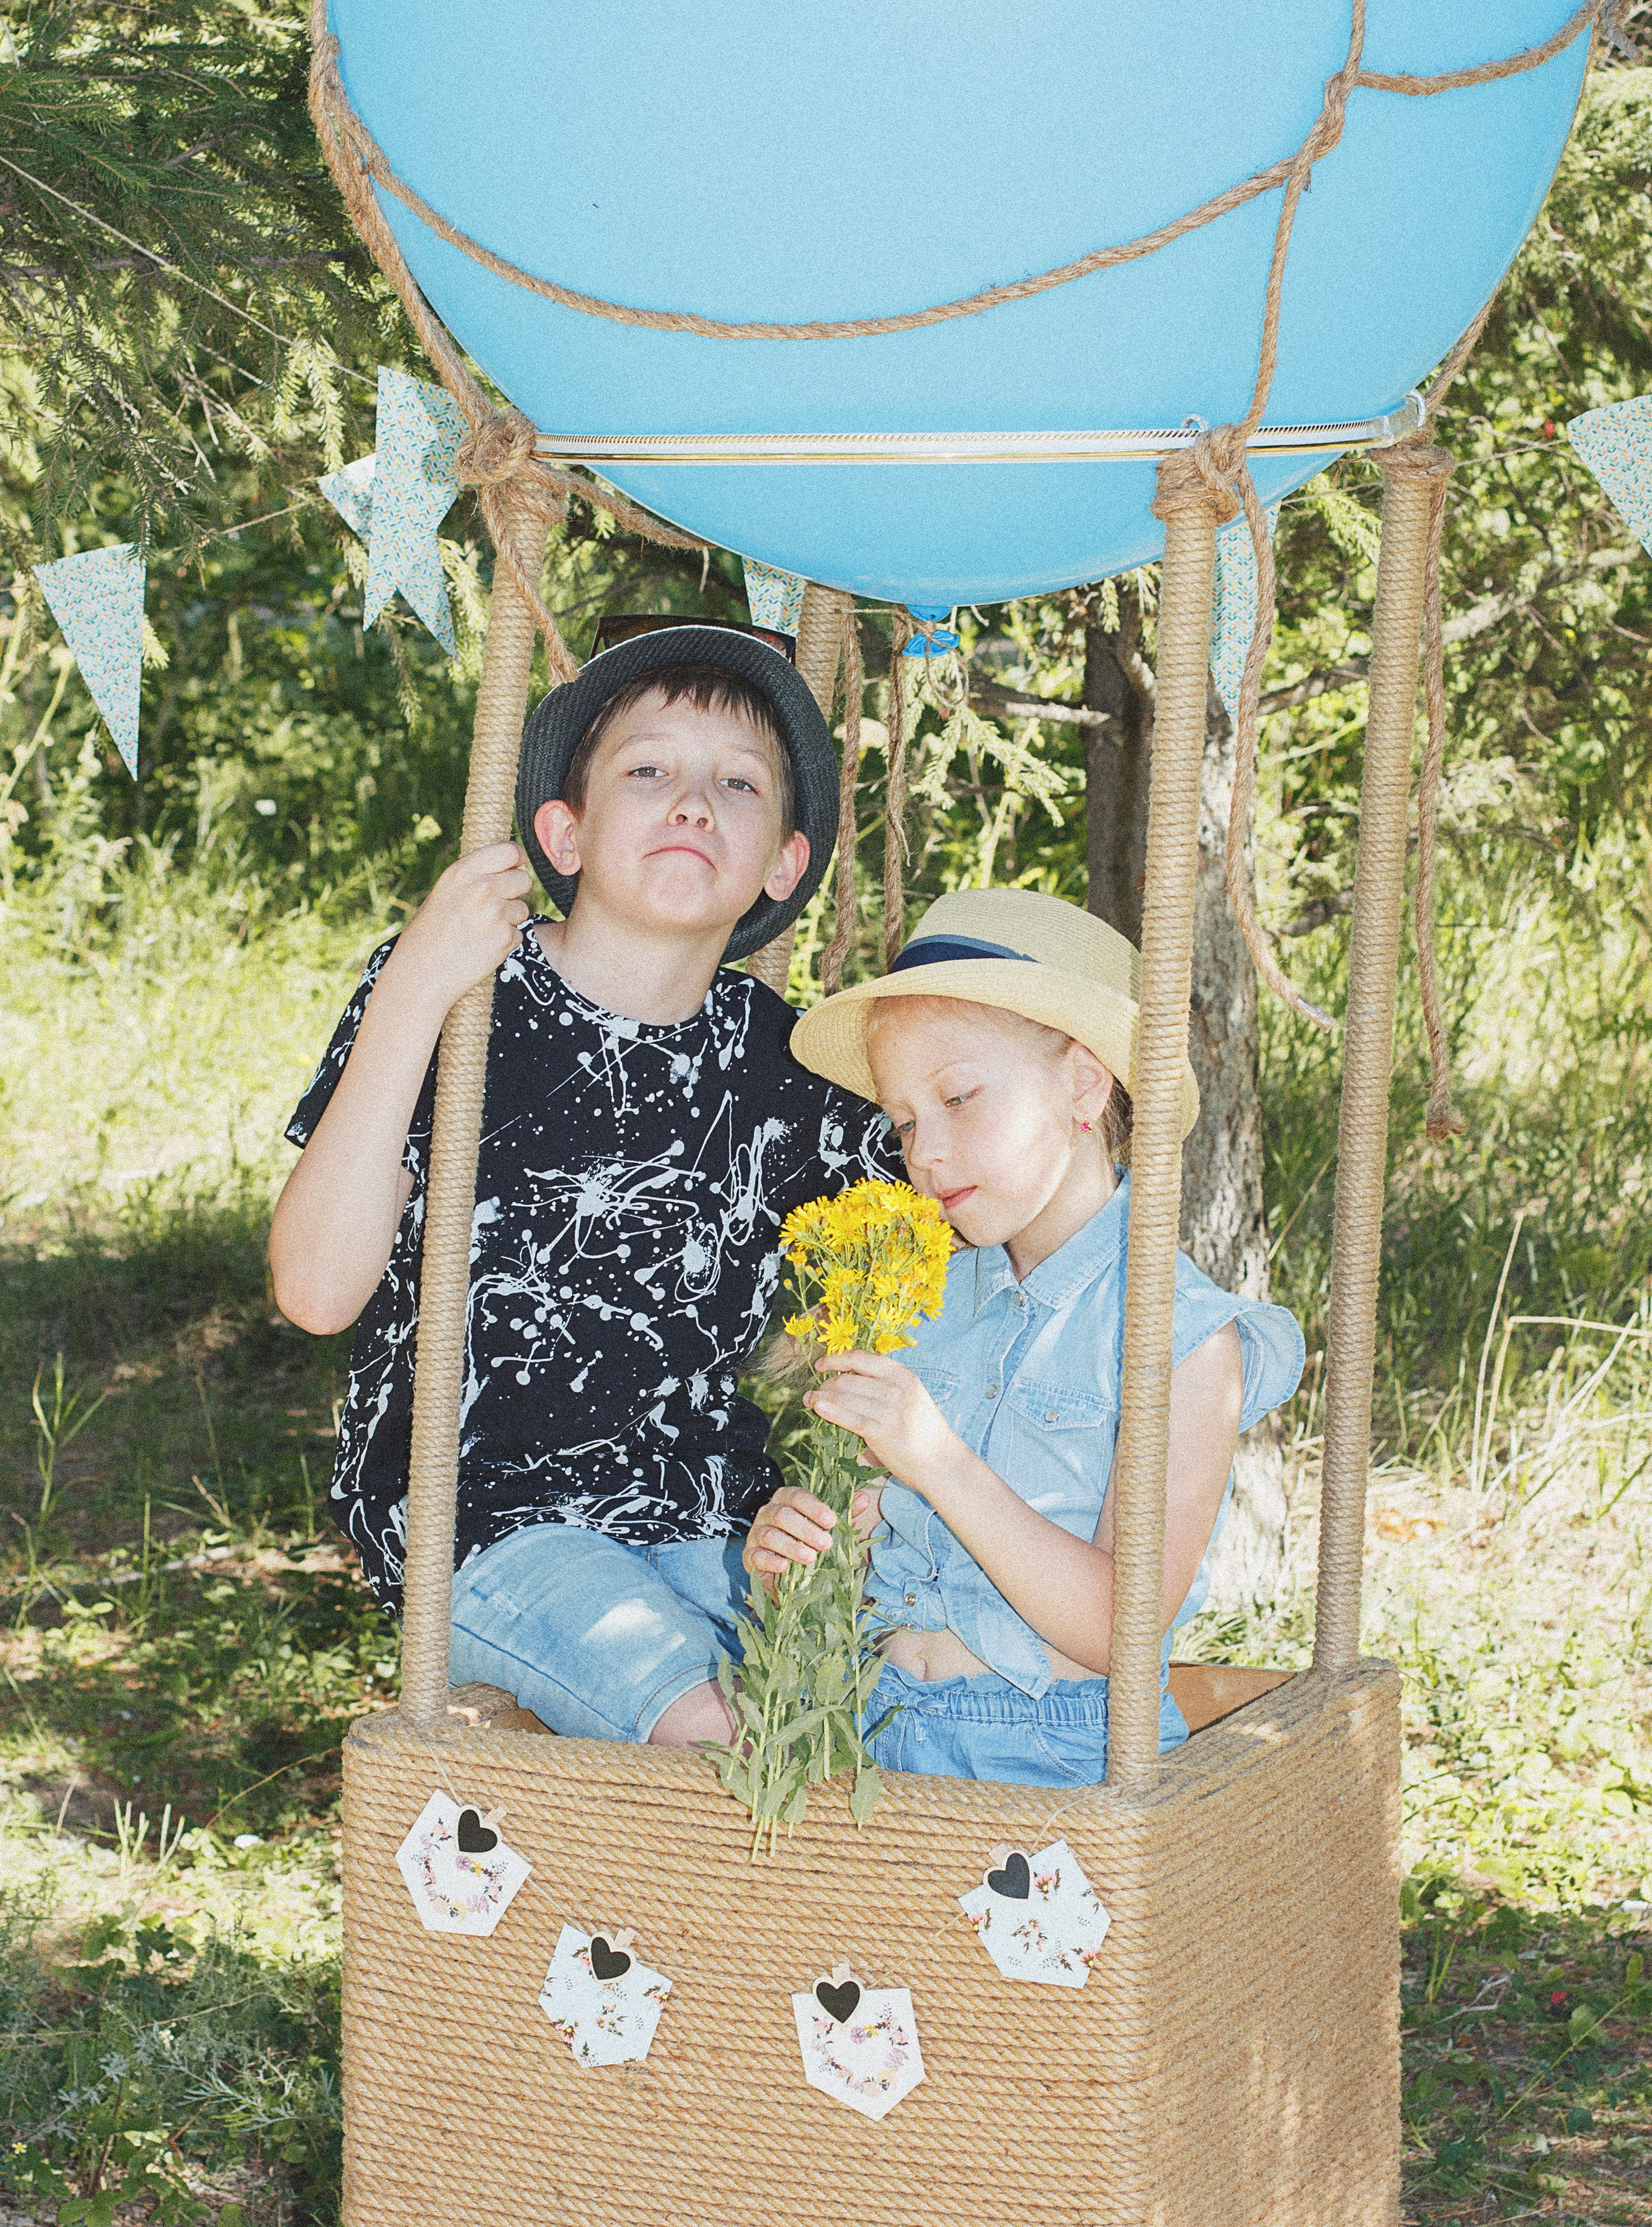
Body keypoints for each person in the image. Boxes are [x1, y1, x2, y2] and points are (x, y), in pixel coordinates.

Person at [270, 624, 892, 1752]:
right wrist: (416, 983)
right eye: (649, 769)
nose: (693, 803)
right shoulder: (459, 998)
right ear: (564, 832)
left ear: (785, 864)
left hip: (721, 1522)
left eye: (738, 783)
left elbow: (870, 1305)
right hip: (486, 1524)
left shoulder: (798, 1071)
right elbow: (316, 1290)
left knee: (853, 1724)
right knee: (714, 1732)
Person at [743, 886, 1305, 1788]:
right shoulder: (923, 1301)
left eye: (959, 1098)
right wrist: (798, 1557)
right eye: (905, 1122)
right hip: (876, 1727)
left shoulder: (1185, 1339)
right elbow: (875, 1560)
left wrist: (937, 1461)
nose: (922, 1153)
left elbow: (1121, 1629)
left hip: (1061, 1755)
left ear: (1084, 1087)